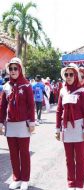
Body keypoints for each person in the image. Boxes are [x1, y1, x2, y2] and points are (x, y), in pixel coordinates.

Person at [0, 57, 35, 190]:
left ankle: (25, 179)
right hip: (10, 124)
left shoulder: (26, 85)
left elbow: (31, 106)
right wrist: (0, 122)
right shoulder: (6, 86)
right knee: (13, 153)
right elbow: (2, 106)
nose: (13, 71)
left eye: (16, 68)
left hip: (23, 124)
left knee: (24, 153)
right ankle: (17, 177)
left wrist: (32, 122)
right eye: (11, 68)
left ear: (20, 70)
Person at [55, 63, 84, 190]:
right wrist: (57, 129)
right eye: (66, 74)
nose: (68, 77)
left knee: (79, 158)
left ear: (75, 76)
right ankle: (71, 183)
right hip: (66, 128)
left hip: (79, 128)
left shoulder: (82, 92)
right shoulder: (62, 91)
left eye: (71, 74)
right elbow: (59, 111)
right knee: (69, 158)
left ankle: (79, 184)